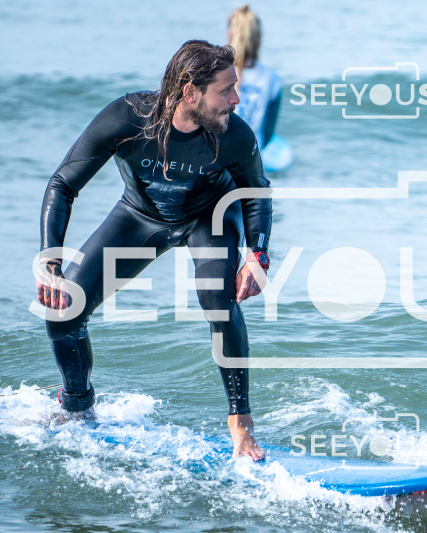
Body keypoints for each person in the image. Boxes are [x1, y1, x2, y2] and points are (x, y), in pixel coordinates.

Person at [35, 40, 271, 461]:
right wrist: (49, 261)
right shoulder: (127, 118)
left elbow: (256, 194)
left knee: (218, 300)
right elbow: (63, 184)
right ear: (190, 92)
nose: (236, 99)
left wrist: (258, 255)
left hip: (209, 217)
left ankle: (241, 423)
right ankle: (77, 405)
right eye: (226, 90)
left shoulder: (234, 135)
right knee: (63, 310)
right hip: (140, 216)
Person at [227, 5, 283, 152]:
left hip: (219, 155)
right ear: (258, 37)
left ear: (230, 34)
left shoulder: (218, 72)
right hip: (252, 156)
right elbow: (268, 132)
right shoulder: (272, 79)